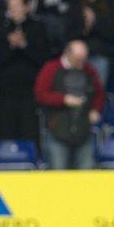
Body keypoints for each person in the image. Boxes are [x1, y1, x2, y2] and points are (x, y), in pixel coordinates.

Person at [0, 0, 50, 145]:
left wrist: (24, 46)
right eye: (11, 6)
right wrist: (10, 46)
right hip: (5, 92)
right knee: (6, 134)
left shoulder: (38, 27)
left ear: (26, 7)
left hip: (30, 92)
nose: (13, 9)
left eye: (17, 6)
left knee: (30, 134)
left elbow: (43, 59)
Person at [34, 40, 104, 169]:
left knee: (86, 175)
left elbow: (99, 94)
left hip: (83, 130)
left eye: (83, 59)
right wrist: (63, 99)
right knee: (59, 175)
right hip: (57, 131)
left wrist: (95, 110)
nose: (81, 63)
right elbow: (40, 94)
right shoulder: (51, 68)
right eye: (78, 59)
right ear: (67, 54)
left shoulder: (89, 71)